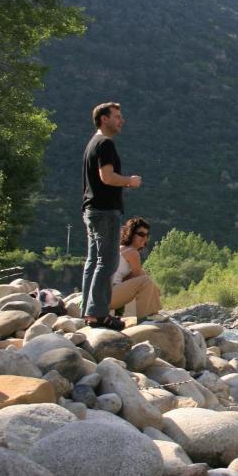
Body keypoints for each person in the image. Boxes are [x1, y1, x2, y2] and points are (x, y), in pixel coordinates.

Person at [80, 102, 141, 330]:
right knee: (108, 262)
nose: (121, 120)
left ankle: (87, 310)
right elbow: (107, 177)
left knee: (93, 261)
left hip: (91, 209)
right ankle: (98, 315)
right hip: (105, 210)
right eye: (117, 116)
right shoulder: (105, 143)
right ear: (104, 119)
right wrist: (129, 182)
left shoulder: (92, 143)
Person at [110, 217, 163, 320]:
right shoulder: (132, 252)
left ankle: (146, 315)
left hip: (105, 294)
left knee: (145, 280)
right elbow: (140, 276)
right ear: (131, 233)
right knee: (145, 281)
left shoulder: (120, 248)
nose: (145, 238)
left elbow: (130, 277)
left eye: (147, 235)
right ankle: (147, 316)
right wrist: (155, 289)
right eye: (141, 234)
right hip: (109, 295)